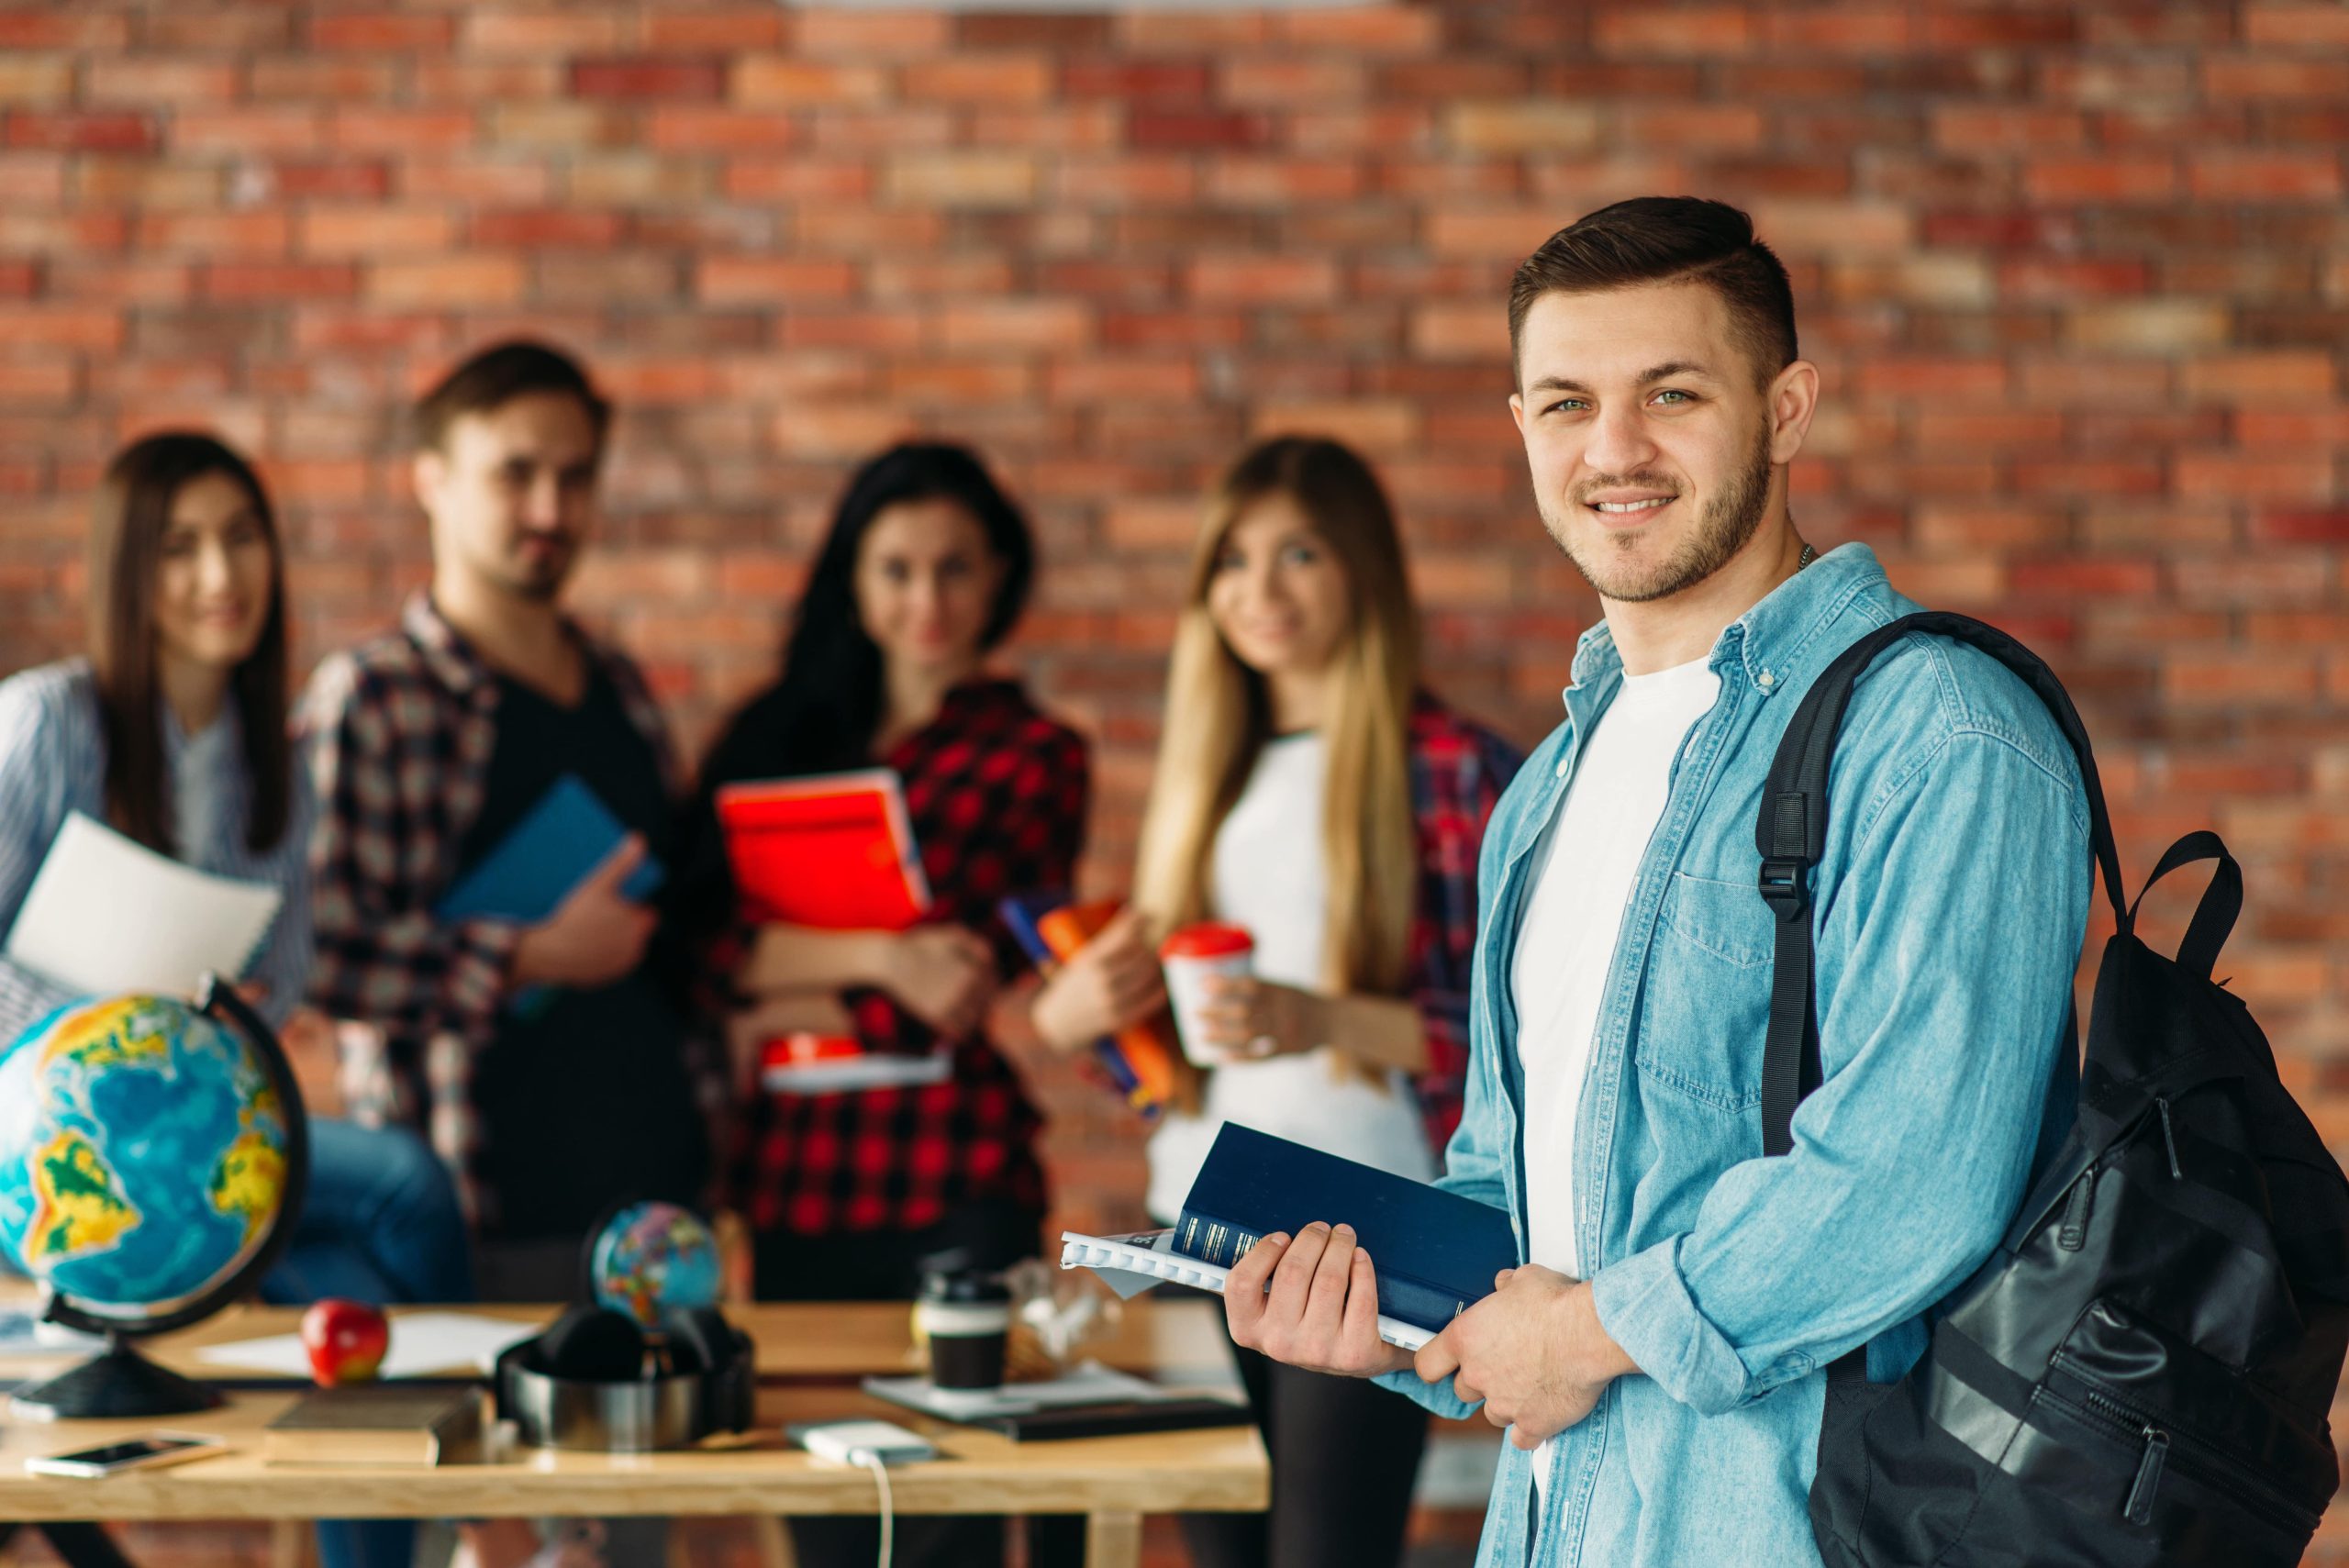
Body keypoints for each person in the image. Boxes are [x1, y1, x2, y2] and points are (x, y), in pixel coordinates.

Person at [1219, 196, 2094, 1567]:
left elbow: (1910, 1178)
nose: (1613, 450)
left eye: (1671, 393)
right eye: (1567, 402)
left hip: (1808, 1532)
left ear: (1787, 409)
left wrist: (1576, 1336)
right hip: (1562, 1525)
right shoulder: (1547, 789)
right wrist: (1371, 1306)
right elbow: (1518, 1196)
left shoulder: (1940, 732)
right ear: (1520, 426)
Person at [1024, 434, 1521, 1568]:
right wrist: (1078, 1015)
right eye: (1233, 560)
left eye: (1300, 553)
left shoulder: (1449, 765)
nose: (1261, 590)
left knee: (1323, 1552)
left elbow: (1515, 1040)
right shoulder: (1209, 773)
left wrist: (1322, 1019)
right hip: (1196, 1215)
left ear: (1362, 568)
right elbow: (1170, 1061)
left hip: (1369, 1227)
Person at [0, 431, 472, 1568]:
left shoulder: (274, 759)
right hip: (49, 1129)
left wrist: (243, 996)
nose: (223, 575)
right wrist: (119, 1008)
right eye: (182, 547)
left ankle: (425, 1531)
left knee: (358, 1303)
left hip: (194, 1124)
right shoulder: (45, 719)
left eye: (243, 537)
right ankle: (474, 1515)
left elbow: (293, 967)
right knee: (406, 1179)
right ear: (129, 571)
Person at [668, 441, 1087, 1568]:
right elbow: (698, 956)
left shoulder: (1036, 754)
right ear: (853, 578)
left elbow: (954, 985)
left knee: (950, 1508)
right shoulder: (775, 737)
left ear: (1000, 575)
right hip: (799, 1173)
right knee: (830, 1502)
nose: (926, 600)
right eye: (895, 569)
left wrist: (796, 970)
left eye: (954, 569)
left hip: (952, 1166)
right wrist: (880, 957)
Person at [301, 340, 725, 1298]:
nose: (550, 509)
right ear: (432, 482)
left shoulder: (621, 685)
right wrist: (528, 954)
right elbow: (316, 948)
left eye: (576, 478)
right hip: (474, 1210)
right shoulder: (375, 694)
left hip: (661, 1213)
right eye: (516, 474)